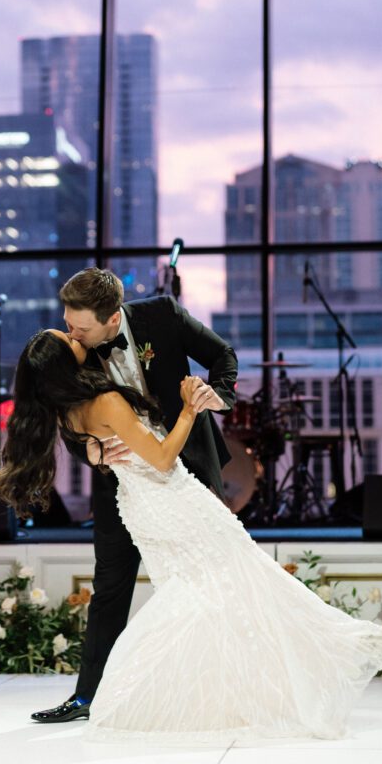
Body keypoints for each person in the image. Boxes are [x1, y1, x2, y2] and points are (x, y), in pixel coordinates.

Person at [0, 326, 382, 743]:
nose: (78, 338)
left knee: (210, 591)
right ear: (65, 363)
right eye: (70, 340)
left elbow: (100, 444)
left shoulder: (65, 410)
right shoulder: (105, 400)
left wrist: (95, 450)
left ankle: (230, 692)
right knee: (238, 582)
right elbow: (164, 459)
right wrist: (188, 409)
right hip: (173, 501)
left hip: (142, 506)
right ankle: (330, 651)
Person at [26, 268, 238, 723]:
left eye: (79, 326)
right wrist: (90, 450)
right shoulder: (73, 351)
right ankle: (87, 697)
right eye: (67, 323)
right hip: (122, 485)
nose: (71, 332)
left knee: (208, 582)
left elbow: (223, 356)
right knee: (110, 587)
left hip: (188, 472)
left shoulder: (161, 316)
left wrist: (213, 397)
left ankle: (224, 687)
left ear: (111, 317)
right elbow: (68, 417)